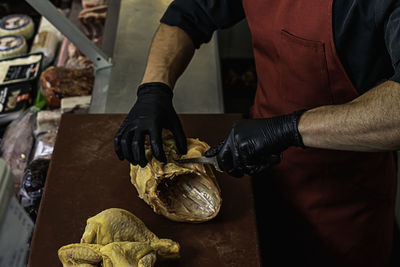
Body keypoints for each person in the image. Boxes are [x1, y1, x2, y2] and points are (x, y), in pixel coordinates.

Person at [114, 0, 400, 266]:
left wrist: (287, 129)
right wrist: (154, 88)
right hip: (257, 168)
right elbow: (190, 12)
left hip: (340, 206)